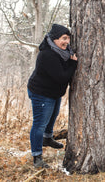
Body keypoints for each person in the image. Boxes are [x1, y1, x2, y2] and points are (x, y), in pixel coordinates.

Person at [27, 24, 78, 168]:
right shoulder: (47, 54)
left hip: (53, 92)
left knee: (52, 116)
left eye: (68, 39)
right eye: (64, 38)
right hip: (41, 93)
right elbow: (61, 77)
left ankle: (47, 139)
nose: (67, 42)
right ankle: (37, 157)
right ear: (54, 39)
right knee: (39, 124)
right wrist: (73, 65)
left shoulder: (62, 51)